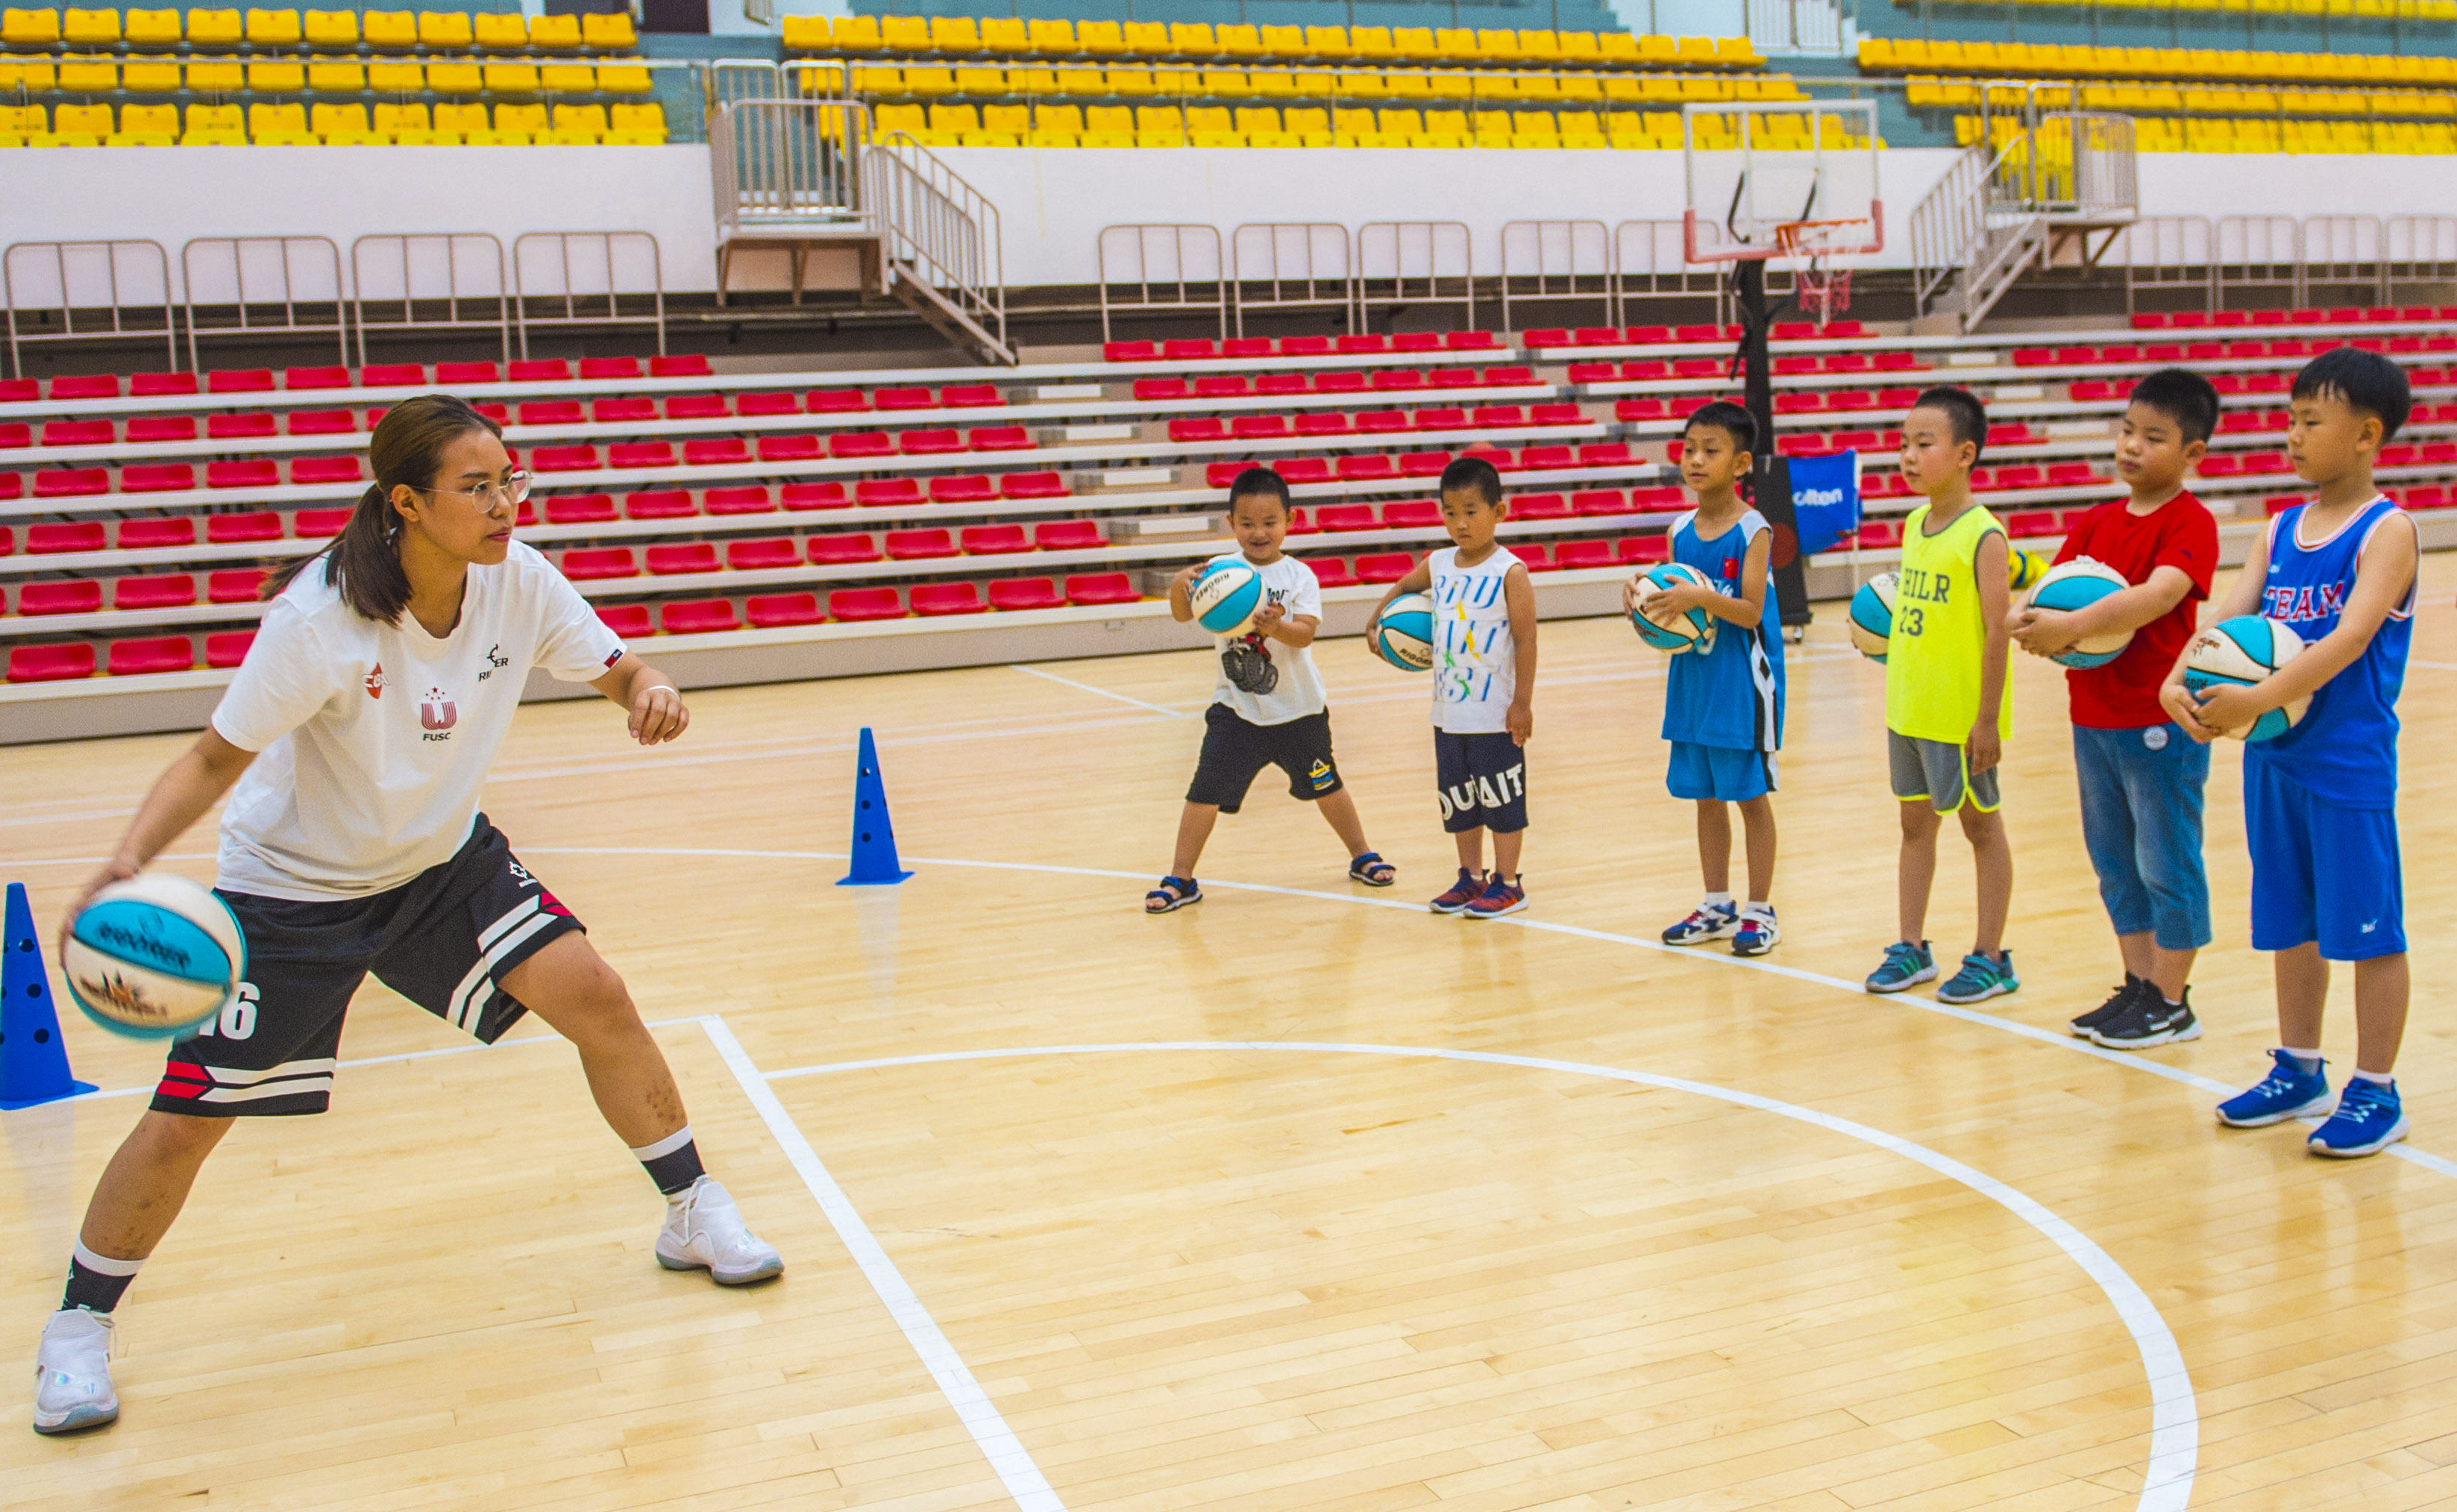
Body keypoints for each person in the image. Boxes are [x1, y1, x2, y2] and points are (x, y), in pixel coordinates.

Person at [31, 395, 782, 1438]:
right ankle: (77, 1322)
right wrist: (124, 861)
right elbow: (213, 756)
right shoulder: (318, 619)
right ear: (407, 503)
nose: (505, 502)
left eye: (511, 479)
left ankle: (690, 1206)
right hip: (292, 890)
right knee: (187, 1122)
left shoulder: (516, 580)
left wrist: (651, 685)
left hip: (440, 865)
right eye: (478, 486)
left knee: (598, 996)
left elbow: (615, 665)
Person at [2163, 347, 2419, 1158]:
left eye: (2313, 421)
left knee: (2370, 930)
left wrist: (2256, 698)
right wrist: (2179, 676)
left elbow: (2348, 638)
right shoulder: (2278, 528)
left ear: (2368, 434)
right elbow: (2228, 612)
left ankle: (2377, 1088)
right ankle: (2299, 1065)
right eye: (2290, 417)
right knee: (2291, 922)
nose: (2293, 433)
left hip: (2347, 765)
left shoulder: (2390, 530)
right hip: (2273, 759)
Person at [2011, 368, 2221, 1050]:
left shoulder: (2191, 522)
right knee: (2114, 860)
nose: (2131, 446)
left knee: (2167, 859)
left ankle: (2172, 999)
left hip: (2160, 720)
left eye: (2153, 437)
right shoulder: (2097, 521)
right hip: (2092, 718)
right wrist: (2025, 616)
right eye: (2127, 430)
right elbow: (2046, 588)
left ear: (2193, 453)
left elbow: (2157, 596)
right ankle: (2138, 985)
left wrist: (2069, 626)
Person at [1145, 467, 1394, 913]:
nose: (1258, 532)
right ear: (1231, 523)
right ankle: (1181, 878)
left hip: (1299, 711)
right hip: (1236, 710)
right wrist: (1181, 585)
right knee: (1203, 793)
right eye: (1247, 523)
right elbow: (1184, 615)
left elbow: (1304, 635)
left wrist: (1275, 625)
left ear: (1290, 521)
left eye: (1269, 523)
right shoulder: (1219, 573)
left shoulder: (1300, 576)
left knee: (1327, 785)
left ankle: (1362, 855)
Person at [1867, 386, 2019, 1004]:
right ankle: (1912, 945)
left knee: (1981, 828)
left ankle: (1991, 955)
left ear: (1965, 453)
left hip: (1960, 717)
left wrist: (1987, 719)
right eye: (1903, 443)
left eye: (1922, 444)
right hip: (1908, 706)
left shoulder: (1984, 535)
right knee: (1913, 825)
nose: (1907, 455)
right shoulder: (1913, 524)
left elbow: (1996, 632)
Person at [1637, 401, 1786, 957]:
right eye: (1689, 448)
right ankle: (1717, 902)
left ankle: (1760, 909)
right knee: (1704, 798)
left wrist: (1698, 596)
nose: (1695, 459)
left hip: (1742, 687)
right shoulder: (1679, 529)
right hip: (1693, 683)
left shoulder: (1754, 529)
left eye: (1710, 449)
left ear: (1742, 462)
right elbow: (1672, 611)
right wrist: (1644, 603)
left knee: (1749, 796)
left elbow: (1749, 610)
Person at [1366, 456, 1537, 919]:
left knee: (1501, 798)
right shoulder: (1438, 563)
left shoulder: (1511, 571)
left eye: (1471, 511)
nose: (1459, 523)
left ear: (1499, 513)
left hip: (1495, 714)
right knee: (1460, 800)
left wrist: (1522, 703)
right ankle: (1471, 877)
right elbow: (1403, 585)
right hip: (1448, 713)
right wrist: (1377, 619)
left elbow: (1525, 640)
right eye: (1449, 512)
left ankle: (1508, 882)